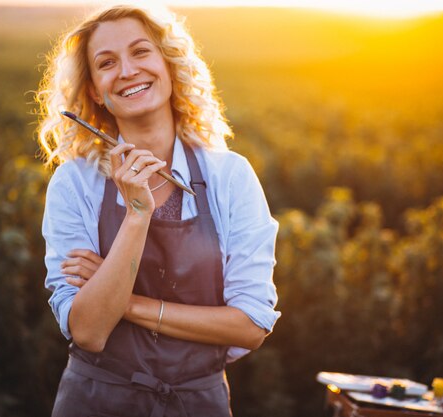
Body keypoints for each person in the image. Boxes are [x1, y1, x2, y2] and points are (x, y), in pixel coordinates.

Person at [36, 3, 280, 416]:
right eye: (107, 63)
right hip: (95, 403)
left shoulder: (230, 177)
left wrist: (125, 303)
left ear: (168, 65)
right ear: (96, 90)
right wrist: (136, 213)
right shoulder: (74, 183)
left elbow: (250, 325)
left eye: (141, 52)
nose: (127, 70)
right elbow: (89, 331)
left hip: (197, 405)